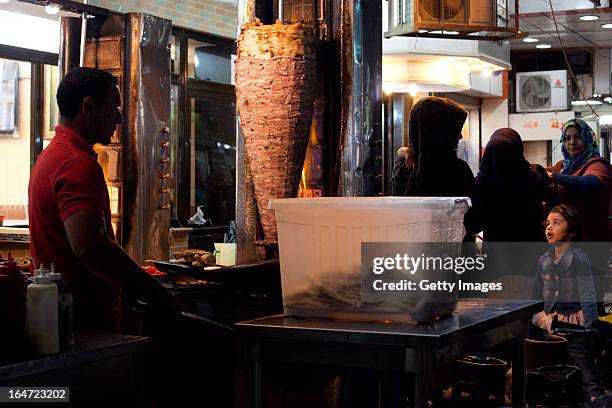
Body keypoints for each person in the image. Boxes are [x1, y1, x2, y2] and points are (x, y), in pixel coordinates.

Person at [28, 67, 178, 333]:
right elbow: (90, 247)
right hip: (85, 323)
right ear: (88, 107)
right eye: (113, 108)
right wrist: (151, 289)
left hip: (63, 317)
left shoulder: (51, 155)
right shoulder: (76, 163)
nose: (119, 118)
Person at [532, 205, 604, 402]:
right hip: (551, 326)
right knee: (556, 373)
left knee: (586, 374)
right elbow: (537, 293)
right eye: (548, 223)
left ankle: (597, 401)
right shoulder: (543, 260)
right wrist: (539, 317)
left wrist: (591, 326)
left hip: (575, 325)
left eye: (556, 223)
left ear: (571, 232)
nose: (549, 228)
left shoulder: (579, 258)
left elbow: (587, 293)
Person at [403, 96, 478, 239]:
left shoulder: (405, 167)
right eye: (456, 129)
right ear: (442, 131)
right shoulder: (458, 171)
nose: (461, 136)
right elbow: (476, 221)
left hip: (414, 256)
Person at [475, 128, 555, 242]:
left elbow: (475, 222)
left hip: (496, 248)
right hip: (530, 244)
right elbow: (553, 203)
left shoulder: (480, 182)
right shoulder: (532, 178)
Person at [550, 119, 611, 241]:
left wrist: (555, 178)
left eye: (578, 137)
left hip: (592, 238)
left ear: (587, 138)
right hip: (567, 239)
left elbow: (590, 184)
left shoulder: (598, 164)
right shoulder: (561, 167)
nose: (572, 142)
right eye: (567, 138)